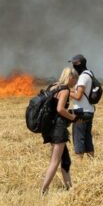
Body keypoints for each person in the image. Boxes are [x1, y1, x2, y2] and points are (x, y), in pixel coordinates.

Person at [40, 67, 77, 195]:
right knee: (55, 161)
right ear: (70, 77)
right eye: (75, 79)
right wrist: (73, 117)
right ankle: (43, 190)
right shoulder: (65, 90)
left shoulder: (53, 86)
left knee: (65, 160)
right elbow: (60, 109)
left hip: (49, 127)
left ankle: (69, 188)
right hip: (58, 129)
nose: (75, 82)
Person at [69, 54, 95, 158]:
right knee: (87, 137)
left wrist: (65, 91)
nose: (73, 66)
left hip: (81, 112)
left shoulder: (83, 77)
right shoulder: (90, 74)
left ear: (78, 64)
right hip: (89, 110)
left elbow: (78, 96)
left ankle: (80, 165)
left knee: (78, 137)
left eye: (73, 64)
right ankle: (92, 162)